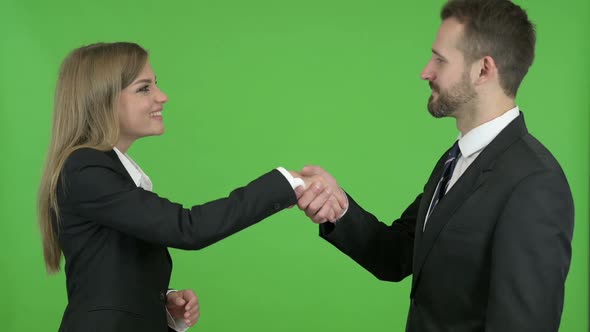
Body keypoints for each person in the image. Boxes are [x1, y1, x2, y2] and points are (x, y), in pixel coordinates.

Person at [295, 0, 575, 331]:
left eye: (440, 60)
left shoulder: (534, 184)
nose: (425, 71)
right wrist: (337, 208)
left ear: (483, 69)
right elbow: (397, 255)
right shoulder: (455, 159)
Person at [37, 42, 346, 332]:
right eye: (144, 88)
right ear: (101, 99)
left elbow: (108, 266)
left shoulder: (106, 170)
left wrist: (162, 301)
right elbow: (187, 228)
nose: (162, 96)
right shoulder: (86, 169)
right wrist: (288, 183)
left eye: (155, 84)